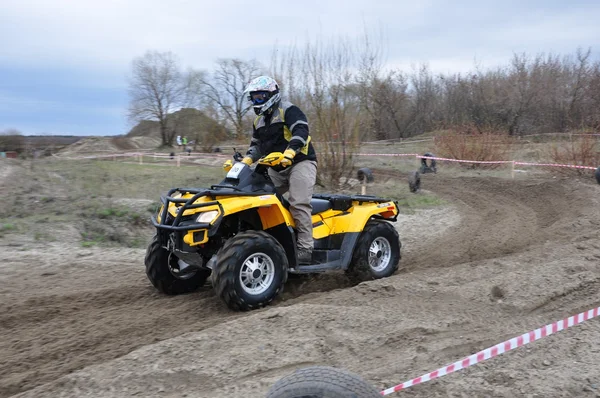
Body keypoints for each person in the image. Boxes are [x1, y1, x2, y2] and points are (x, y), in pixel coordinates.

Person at [230, 75, 317, 264]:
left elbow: (301, 131)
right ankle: (268, 240)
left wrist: (290, 152)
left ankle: (305, 249)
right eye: (253, 98)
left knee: (298, 202)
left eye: (259, 97)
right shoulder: (258, 121)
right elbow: (257, 146)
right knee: (256, 198)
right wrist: (245, 161)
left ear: (271, 94)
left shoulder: (289, 110)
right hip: (274, 166)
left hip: (300, 162)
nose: (256, 101)